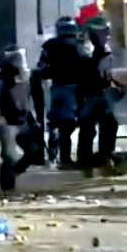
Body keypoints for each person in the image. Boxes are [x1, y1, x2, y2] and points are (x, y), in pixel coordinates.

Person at [32, 16, 84, 169]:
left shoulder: (50, 45)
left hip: (54, 88)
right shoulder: (78, 45)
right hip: (72, 89)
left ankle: (52, 156)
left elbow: (41, 65)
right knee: (67, 125)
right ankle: (65, 159)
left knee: (54, 123)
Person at [0, 46, 42, 194]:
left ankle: (13, 174)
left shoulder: (29, 78)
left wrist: (36, 119)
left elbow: (33, 99)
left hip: (24, 121)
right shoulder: (0, 79)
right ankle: (7, 187)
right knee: (9, 155)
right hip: (6, 122)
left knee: (33, 152)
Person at [77, 16, 118, 176]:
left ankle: (97, 161)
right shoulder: (89, 48)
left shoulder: (89, 47)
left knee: (101, 127)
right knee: (95, 127)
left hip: (96, 93)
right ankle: (96, 162)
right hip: (93, 93)